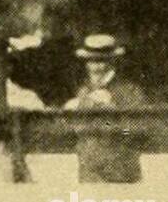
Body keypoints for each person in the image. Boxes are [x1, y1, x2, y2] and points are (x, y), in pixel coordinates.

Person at [63, 34, 147, 183]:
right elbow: (76, 132)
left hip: (121, 176)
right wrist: (70, 115)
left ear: (112, 61)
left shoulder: (129, 91)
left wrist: (112, 109)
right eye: (90, 60)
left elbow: (136, 131)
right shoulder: (83, 92)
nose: (95, 66)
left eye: (101, 60)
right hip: (89, 174)